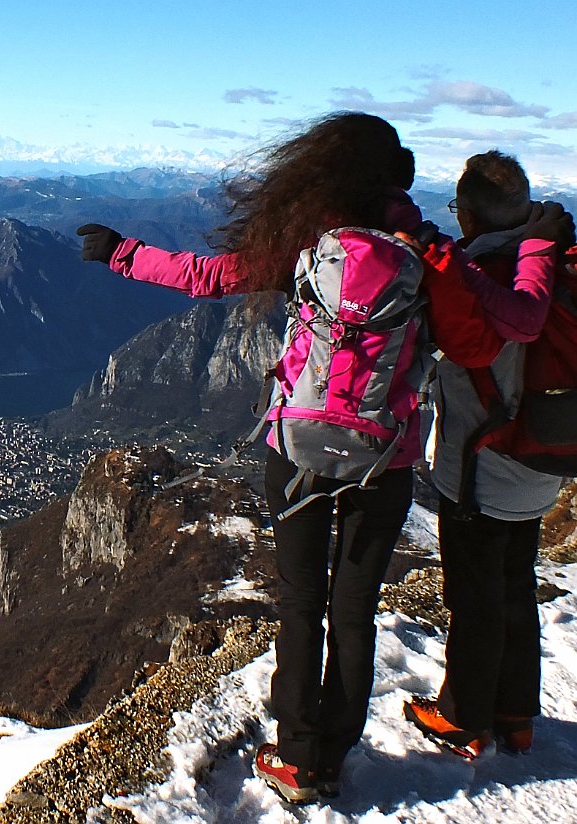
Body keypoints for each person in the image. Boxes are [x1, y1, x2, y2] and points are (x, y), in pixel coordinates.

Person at [76, 113, 565, 804]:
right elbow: (488, 341)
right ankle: (336, 750)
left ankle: (298, 757)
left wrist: (121, 252)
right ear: (399, 180)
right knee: (354, 608)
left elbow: (208, 276)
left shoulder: (308, 237)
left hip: (297, 448)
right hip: (383, 458)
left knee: (302, 602)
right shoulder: (425, 252)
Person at [402, 151, 570, 759]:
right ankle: (516, 715)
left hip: (478, 469)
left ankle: (463, 716)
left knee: (472, 597)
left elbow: (460, 361)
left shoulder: (474, 278)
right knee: (515, 588)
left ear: (467, 215)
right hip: (544, 459)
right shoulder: (552, 265)